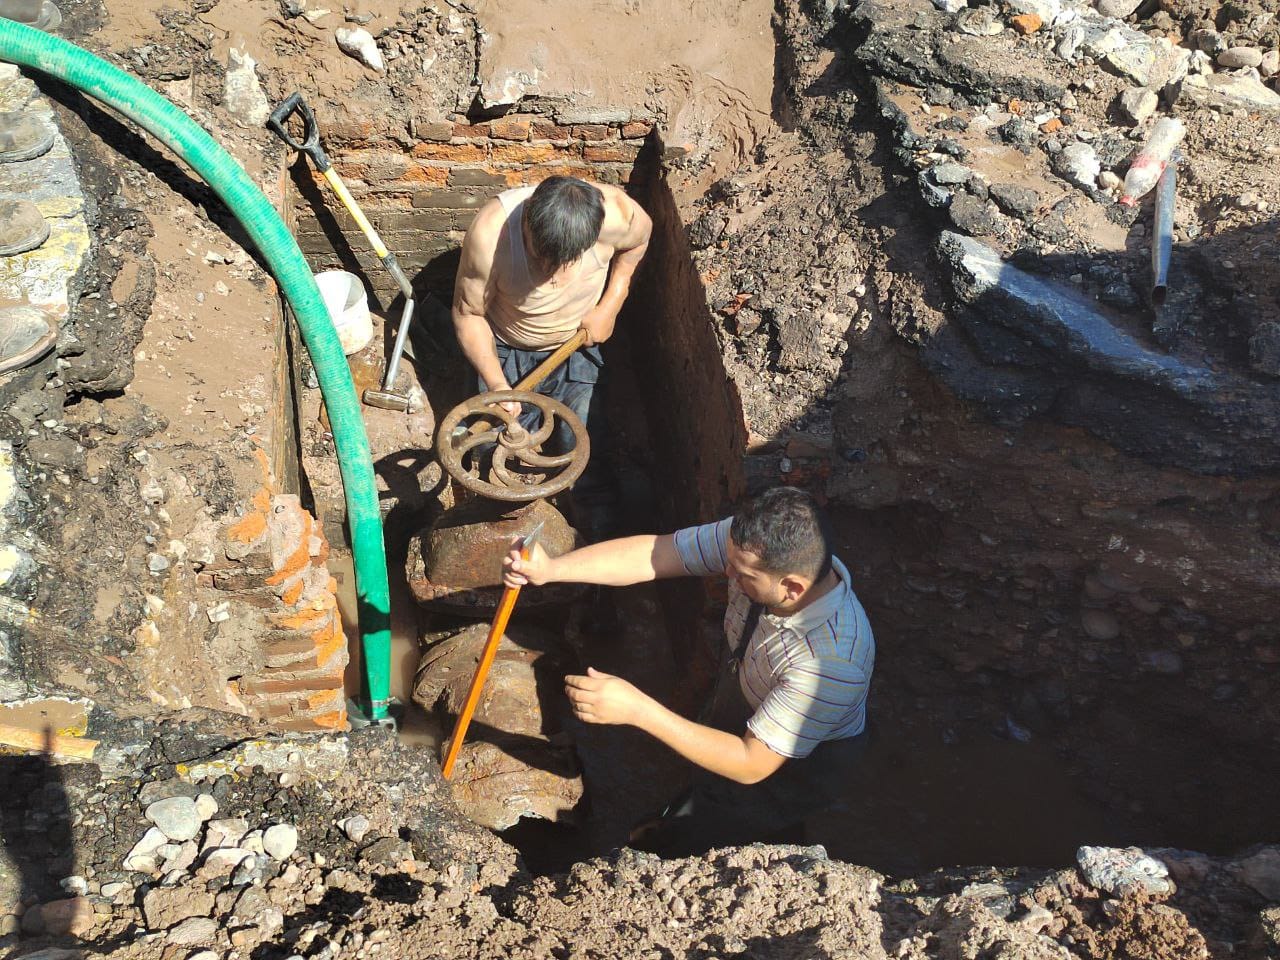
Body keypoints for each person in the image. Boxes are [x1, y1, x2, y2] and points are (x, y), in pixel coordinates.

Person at [502, 486, 875, 855]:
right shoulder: (755, 548)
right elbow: (659, 554)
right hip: (750, 693)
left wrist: (637, 709)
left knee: (714, 828)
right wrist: (552, 569)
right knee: (708, 783)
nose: (727, 571)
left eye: (743, 575)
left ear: (792, 587)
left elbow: (750, 763)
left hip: (794, 766)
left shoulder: (829, 666)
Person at [452, 176, 652, 524]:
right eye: (541, 257)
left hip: (574, 348)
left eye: (565, 261)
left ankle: (592, 530)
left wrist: (611, 305)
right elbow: (468, 315)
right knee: (494, 453)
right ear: (527, 220)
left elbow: (640, 242)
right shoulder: (491, 235)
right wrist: (497, 384)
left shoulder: (618, 216)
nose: (551, 272)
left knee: (585, 447)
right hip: (506, 349)